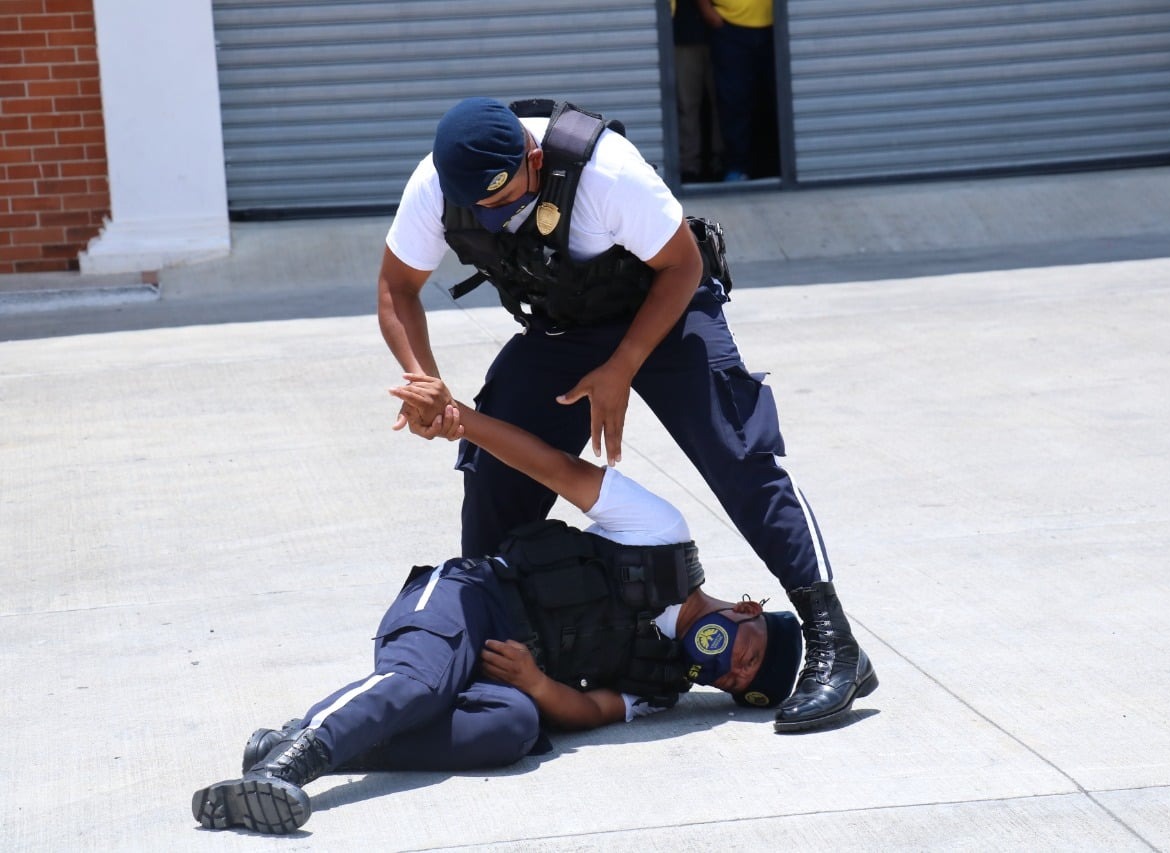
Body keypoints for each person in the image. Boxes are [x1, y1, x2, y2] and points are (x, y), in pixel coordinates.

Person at [376, 96, 876, 733]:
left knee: (737, 453)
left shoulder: (607, 173)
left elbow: (682, 263)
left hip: (664, 309)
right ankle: (487, 638)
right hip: (563, 329)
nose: (495, 217)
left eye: (505, 200)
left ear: (533, 159)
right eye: (482, 209)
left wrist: (623, 367)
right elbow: (397, 287)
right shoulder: (436, 185)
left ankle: (834, 641)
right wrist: (426, 384)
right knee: (495, 471)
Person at [191, 375, 804, 835]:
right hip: (468, 600)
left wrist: (537, 684)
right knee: (421, 686)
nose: (732, 670)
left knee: (514, 729)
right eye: (750, 655)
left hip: (509, 676)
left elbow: (589, 709)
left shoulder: (663, 681)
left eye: (736, 684)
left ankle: (301, 736)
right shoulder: (662, 537)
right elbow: (553, 466)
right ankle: (280, 772)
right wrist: (462, 420)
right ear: (749, 609)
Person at [696, 0, 779, 181]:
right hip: (729, 27)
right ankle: (737, 167)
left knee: (775, 98)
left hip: (776, 23)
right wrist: (708, 11)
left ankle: (775, 166)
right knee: (734, 100)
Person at [671, 0, 724, 183]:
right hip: (685, 36)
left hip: (725, 34)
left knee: (724, 102)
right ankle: (689, 165)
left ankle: (721, 162)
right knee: (687, 104)